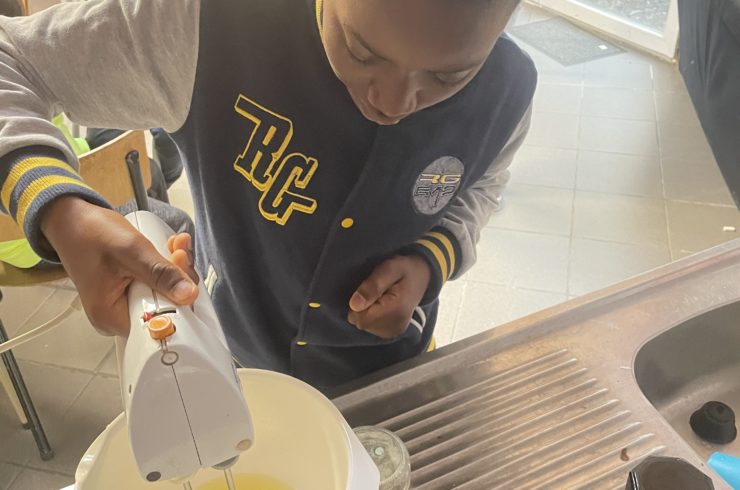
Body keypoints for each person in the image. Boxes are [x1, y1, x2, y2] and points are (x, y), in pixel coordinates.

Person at [0, 0, 535, 388]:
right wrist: (58, 209)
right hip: (233, 361)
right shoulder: (209, 24)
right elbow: (11, 59)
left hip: (393, 372)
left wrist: (432, 259)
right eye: (362, 51)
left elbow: (482, 185)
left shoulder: (509, 90)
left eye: (449, 76)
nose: (393, 103)